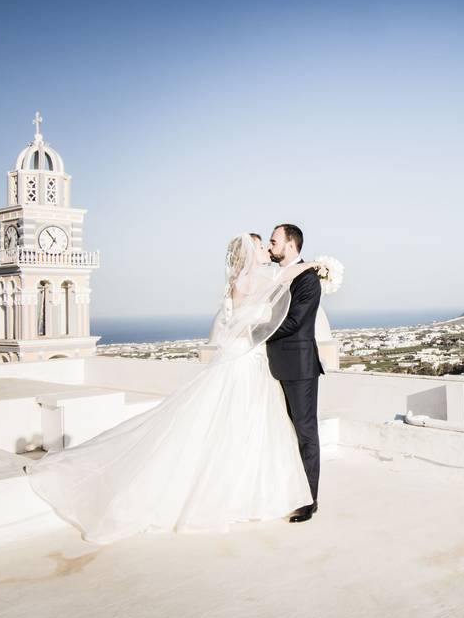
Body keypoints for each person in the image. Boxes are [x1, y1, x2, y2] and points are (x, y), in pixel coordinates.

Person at [27, 233, 323, 544]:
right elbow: (280, 287)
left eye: (269, 244)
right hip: (244, 361)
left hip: (248, 359)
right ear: (250, 255)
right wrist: (310, 266)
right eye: (261, 246)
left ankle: (251, 491)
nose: (266, 249)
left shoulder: (243, 280)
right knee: (238, 427)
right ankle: (238, 495)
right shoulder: (251, 281)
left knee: (243, 428)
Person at [266, 224, 324, 523]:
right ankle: (289, 489)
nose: (269, 246)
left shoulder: (308, 279)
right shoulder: (275, 276)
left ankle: (309, 501)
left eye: (274, 241)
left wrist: (258, 331)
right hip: (275, 366)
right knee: (285, 433)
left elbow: (295, 322)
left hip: (300, 367)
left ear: (290, 245)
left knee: (305, 433)